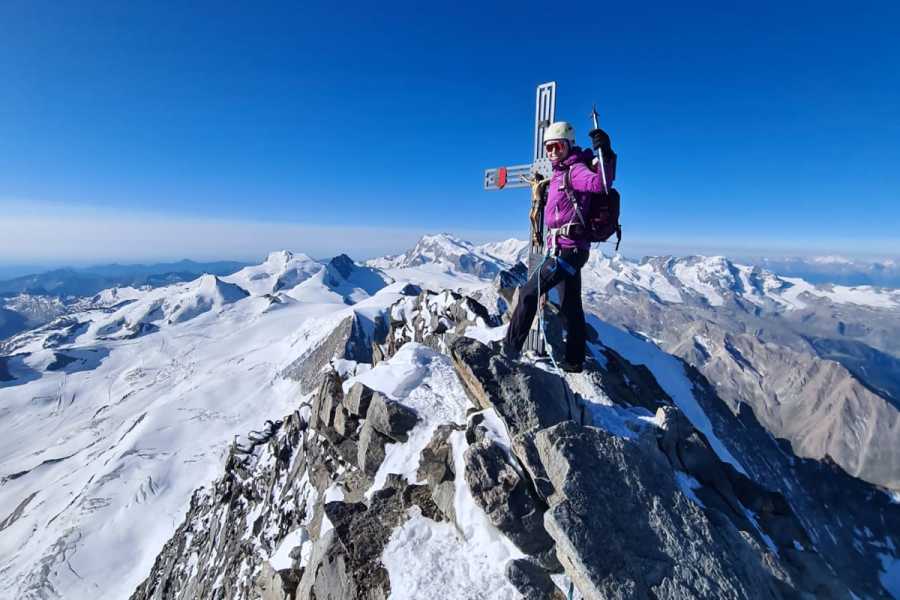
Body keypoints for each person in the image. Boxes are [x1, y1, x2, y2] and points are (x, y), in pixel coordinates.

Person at [501, 121, 606, 373]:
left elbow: (600, 183)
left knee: (528, 293)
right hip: (568, 249)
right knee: (571, 306)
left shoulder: (575, 170)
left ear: (569, 145)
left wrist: (606, 153)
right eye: (548, 147)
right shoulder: (558, 173)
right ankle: (573, 361)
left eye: (558, 146)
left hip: (568, 251)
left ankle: (509, 351)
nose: (551, 152)